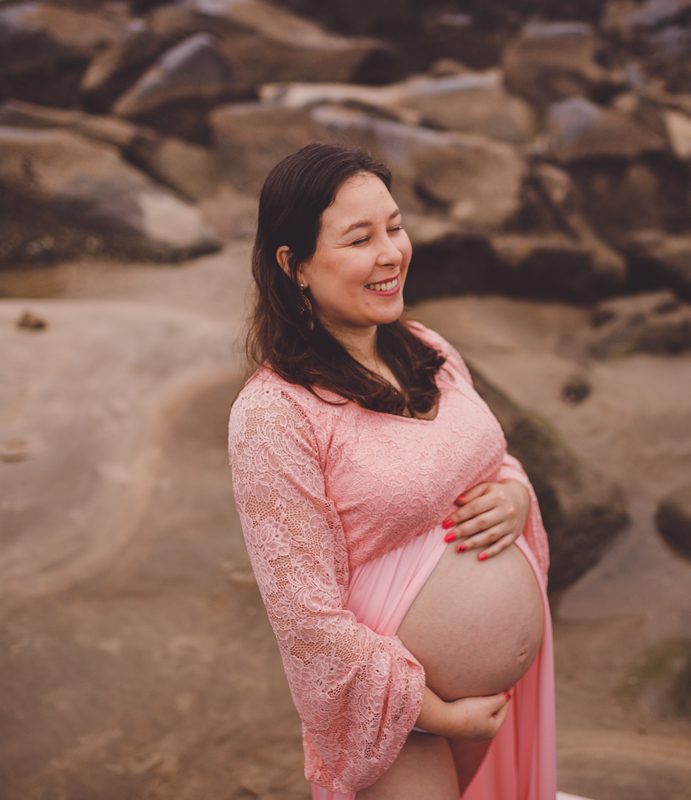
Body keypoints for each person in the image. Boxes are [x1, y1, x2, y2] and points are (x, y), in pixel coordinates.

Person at [228, 142, 556, 800]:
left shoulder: (426, 347)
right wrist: (437, 714)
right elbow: (305, 621)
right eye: (359, 239)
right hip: (395, 722)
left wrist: (517, 498)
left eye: (395, 227)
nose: (391, 254)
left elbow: (493, 461)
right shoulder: (274, 414)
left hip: (486, 700)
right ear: (293, 265)